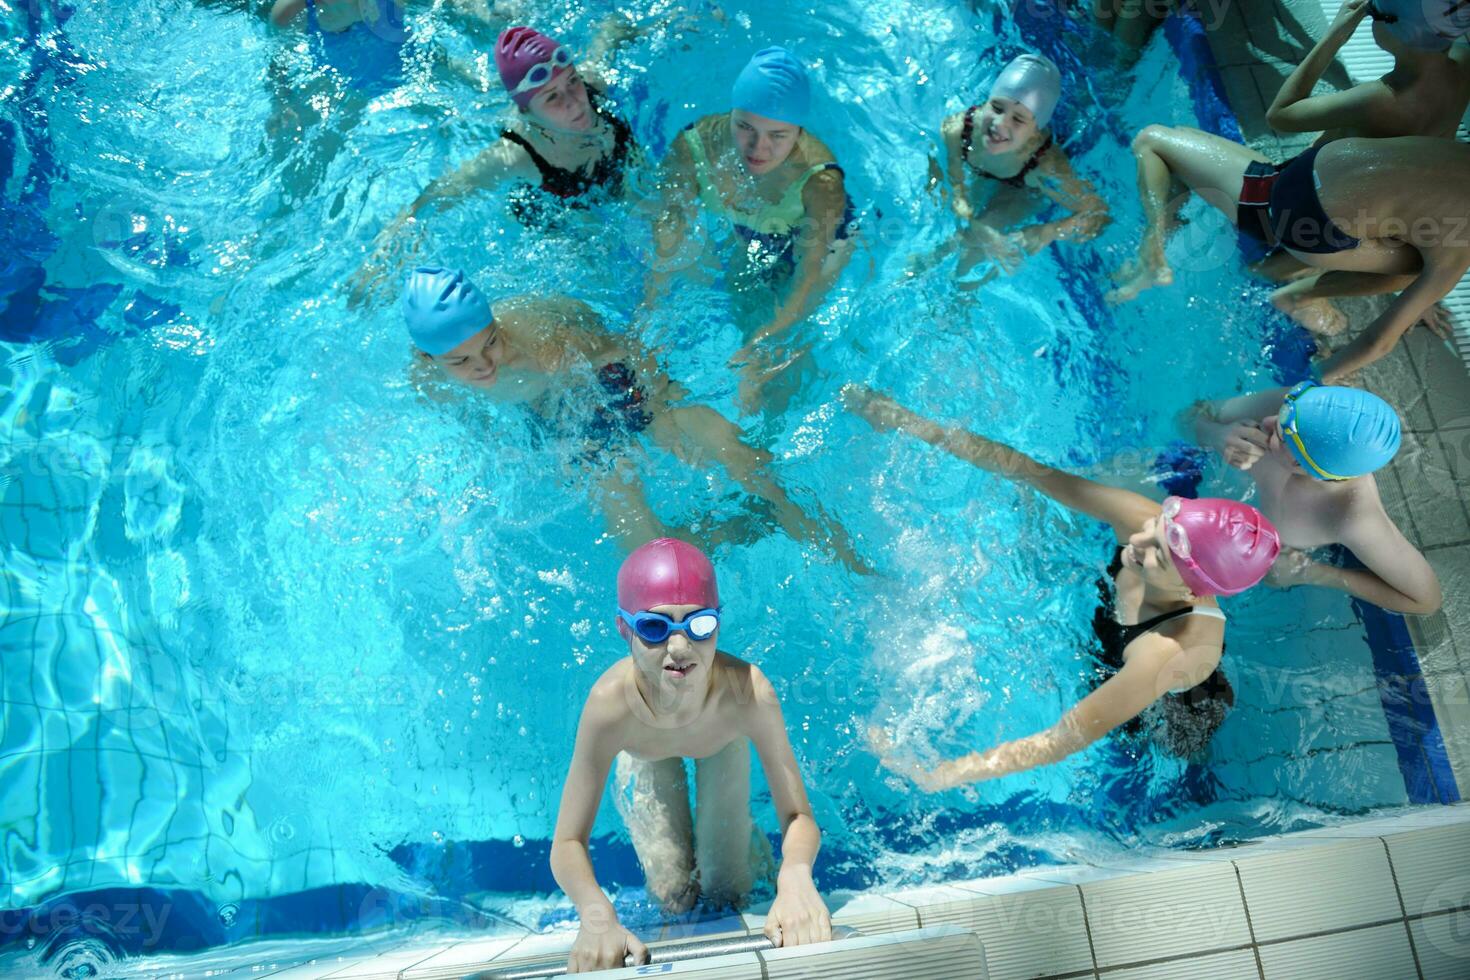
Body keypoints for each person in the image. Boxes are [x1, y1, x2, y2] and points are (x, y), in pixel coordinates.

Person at [844, 385, 1281, 784]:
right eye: (1158, 527)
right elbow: (1028, 470)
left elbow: (1065, 737)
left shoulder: (1164, 656)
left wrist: (941, 772)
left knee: (1161, 752)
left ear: (1192, 589)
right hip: (1129, 630)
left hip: (1176, 702)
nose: (1138, 539)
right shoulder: (1144, 525)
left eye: (1158, 553)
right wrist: (912, 424)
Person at [399, 266, 866, 568]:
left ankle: (815, 529)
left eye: (490, 344)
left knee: (729, 449)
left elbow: (631, 350)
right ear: (428, 358)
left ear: (496, 327)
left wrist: (659, 412)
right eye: (460, 362)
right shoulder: (428, 380)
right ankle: (750, 525)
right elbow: (471, 423)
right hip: (554, 416)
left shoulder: (544, 343)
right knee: (648, 556)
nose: (484, 366)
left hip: (610, 377)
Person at [550, 538, 832, 972]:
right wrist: (596, 915)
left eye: (699, 625)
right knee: (674, 897)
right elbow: (567, 842)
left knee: (728, 890)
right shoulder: (609, 707)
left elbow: (798, 817)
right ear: (624, 628)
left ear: (718, 622)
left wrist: (794, 876)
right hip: (642, 747)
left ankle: (748, 844)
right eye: (655, 629)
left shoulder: (748, 694)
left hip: (721, 740)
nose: (680, 648)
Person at [1107, 0, 1470, 319]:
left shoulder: (1382, 98)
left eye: (1372, 10)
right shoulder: (1461, 71)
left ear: (1396, 28)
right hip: (1364, 233)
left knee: (1152, 140)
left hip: (1288, 207)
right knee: (1353, 246)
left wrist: (1335, 36)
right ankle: (1285, 281)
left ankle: (1153, 246)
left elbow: (1281, 115)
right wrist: (1424, 294)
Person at [349, 25, 642, 305]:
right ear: (527, 112)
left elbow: (611, 30)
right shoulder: (517, 154)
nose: (575, 102)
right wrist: (388, 249)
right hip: (556, 207)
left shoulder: (593, 86)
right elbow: (440, 194)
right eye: (552, 97)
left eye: (572, 81)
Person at [646, 47, 854, 408]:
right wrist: (653, 308)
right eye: (745, 127)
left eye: (778, 135)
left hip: (815, 240)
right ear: (731, 114)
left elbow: (809, 272)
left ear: (799, 131)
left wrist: (768, 336)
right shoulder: (694, 146)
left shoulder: (819, 182)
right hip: (746, 233)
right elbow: (669, 230)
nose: (759, 148)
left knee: (779, 358)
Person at [1192, 382, 1440, 615]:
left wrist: (1309, 573)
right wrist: (1217, 434)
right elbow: (1192, 414)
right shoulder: (1294, 408)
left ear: (1300, 464)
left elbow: (1425, 600)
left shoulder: (1351, 517)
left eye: (1281, 435)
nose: (1267, 422)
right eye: (1280, 415)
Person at [931, 53, 1108, 288]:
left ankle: (962, 296)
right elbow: (949, 167)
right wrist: (957, 192)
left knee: (983, 236)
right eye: (996, 106)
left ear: (1035, 131)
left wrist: (1049, 231)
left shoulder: (1045, 166)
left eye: (1018, 119)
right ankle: (925, 265)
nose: (1000, 124)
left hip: (1021, 187)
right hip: (984, 174)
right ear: (986, 102)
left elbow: (1097, 213)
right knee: (964, 230)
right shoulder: (959, 129)